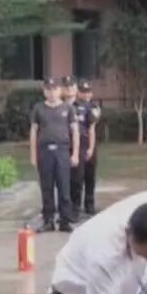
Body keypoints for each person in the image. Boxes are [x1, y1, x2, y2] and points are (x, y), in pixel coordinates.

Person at [29, 77, 78, 232]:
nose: (52, 92)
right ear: (44, 91)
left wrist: (75, 154)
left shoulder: (68, 108)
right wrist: (33, 155)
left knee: (64, 187)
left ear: (60, 90)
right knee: (47, 187)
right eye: (48, 90)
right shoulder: (38, 108)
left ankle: (65, 220)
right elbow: (33, 132)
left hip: (62, 151)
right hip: (45, 152)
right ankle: (48, 220)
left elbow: (75, 131)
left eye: (55, 89)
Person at [75, 80, 102, 217]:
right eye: (83, 92)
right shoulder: (73, 105)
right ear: (78, 92)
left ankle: (89, 204)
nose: (86, 95)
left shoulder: (94, 106)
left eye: (88, 92)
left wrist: (91, 148)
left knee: (90, 176)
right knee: (77, 177)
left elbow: (92, 125)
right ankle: (76, 206)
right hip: (77, 144)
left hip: (90, 142)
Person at [60, 76, 84, 223]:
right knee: (63, 181)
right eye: (66, 86)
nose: (69, 89)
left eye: (71, 86)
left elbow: (90, 127)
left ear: (76, 89)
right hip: (62, 146)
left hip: (79, 146)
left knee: (77, 180)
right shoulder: (57, 106)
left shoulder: (83, 106)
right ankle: (64, 210)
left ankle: (76, 209)